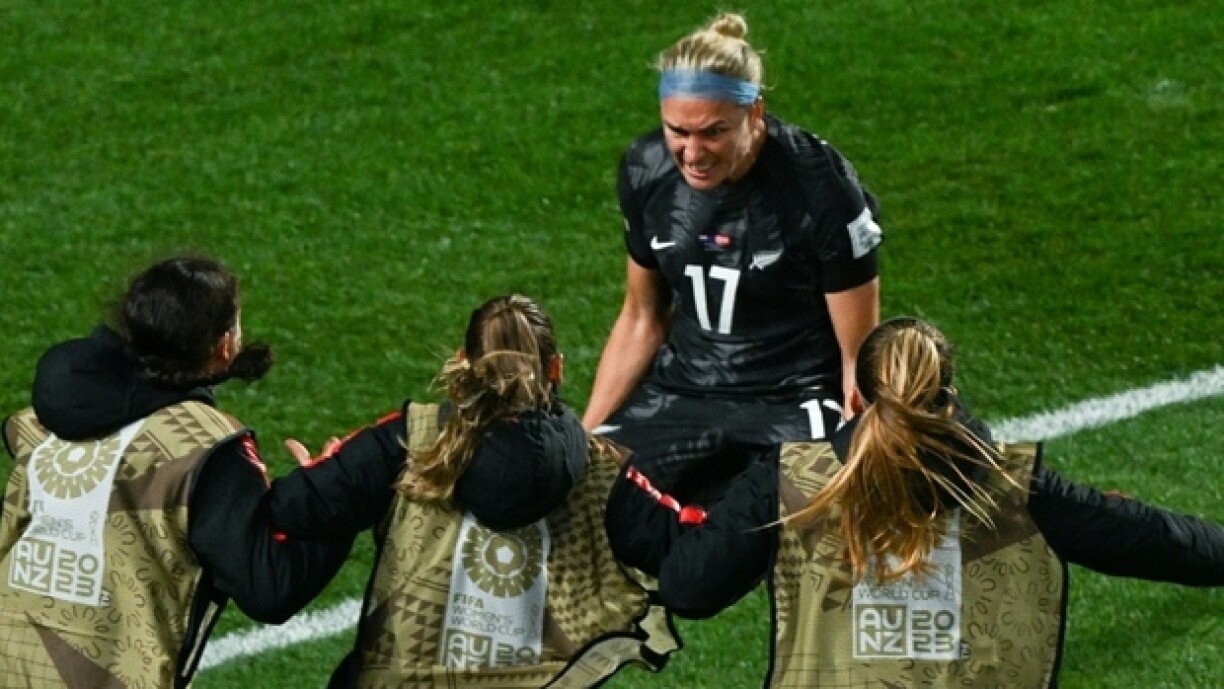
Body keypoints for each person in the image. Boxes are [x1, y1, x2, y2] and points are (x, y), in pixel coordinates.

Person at [606, 317, 1224, 687]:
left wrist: (634, 499)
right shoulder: (1010, 485)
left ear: (855, 402)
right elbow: (1149, 539)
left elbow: (690, 588)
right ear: (949, 398)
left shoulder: (791, 478)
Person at [268, 294, 678, 688]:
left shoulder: (411, 439)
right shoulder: (604, 471)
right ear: (556, 369)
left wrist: (318, 479)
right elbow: (690, 561)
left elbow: (290, 508)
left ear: (464, 364)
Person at [0, 256, 354, 687]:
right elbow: (269, 587)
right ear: (224, 346)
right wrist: (335, 497)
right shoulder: (204, 448)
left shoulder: (48, 415)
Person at [583, 12, 883, 504]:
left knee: (816, 534)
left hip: (791, 400)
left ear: (755, 113)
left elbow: (858, 354)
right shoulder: (645, 170)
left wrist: (858, 452)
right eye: (677, 130)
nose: (692, 152)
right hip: (683, 394)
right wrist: (587, 435)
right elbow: (642, 317)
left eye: (713, 133)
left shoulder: (820, 187)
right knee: (586, 498)